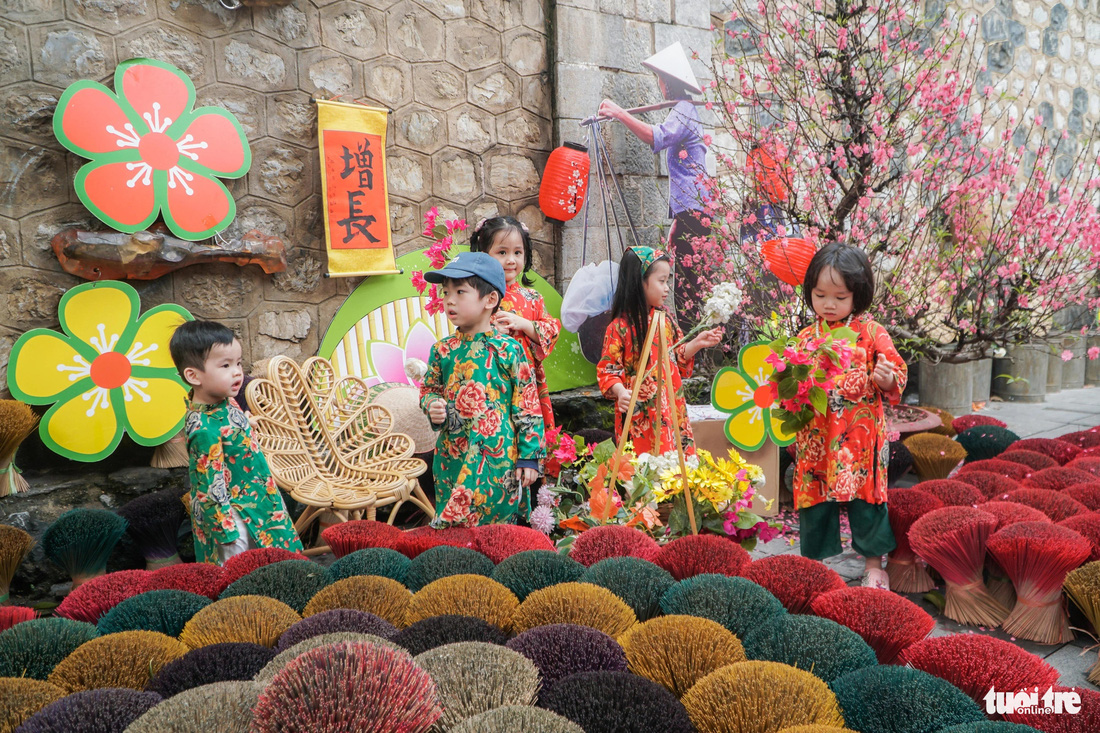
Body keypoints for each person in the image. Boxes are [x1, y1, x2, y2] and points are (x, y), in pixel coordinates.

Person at [793, 243, 908, 590]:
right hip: (815, 437)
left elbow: (897, 373)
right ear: (810, 292)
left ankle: (874, 565)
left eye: (839, 296)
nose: (829, 304)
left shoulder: (872, 333)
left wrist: (887, 378)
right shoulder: (805, 338)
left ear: (857, 295)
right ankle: (816, 564)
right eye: (820, 294)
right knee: (814, 498)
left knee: (867, 499)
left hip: (859, 440)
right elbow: (792, 384)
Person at [419, 251, 546, 527]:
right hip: (452, 456)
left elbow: (527, 404)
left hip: (499, 457)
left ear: (490, 300)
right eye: (446, 292)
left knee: (498, 528)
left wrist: (529, 457)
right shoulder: (442, 350)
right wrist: (432, 406)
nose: (449, 300)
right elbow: (428, 390)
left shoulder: (508, 349)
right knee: (455, 529)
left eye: (460, 291)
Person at [597, 42, 714, 331]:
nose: (659, 85)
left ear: (669, 82)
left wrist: (619, 113)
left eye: (661, 79)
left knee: (688, 288)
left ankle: (692, 354)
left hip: (696, 212)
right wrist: (678, 220)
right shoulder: (683, 110)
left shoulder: (685, 109)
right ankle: (693, 350)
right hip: (691, 212)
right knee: (687, 283)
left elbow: (656, 137)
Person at [169, 320, 303, 565]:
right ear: (193, 375)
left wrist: (245, 423)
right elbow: (208, 483)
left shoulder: (225, 402)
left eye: (239, 363)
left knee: (271, 560)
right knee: (237, 569)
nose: (237, 372)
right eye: (226, 365)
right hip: (234, 514)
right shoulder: (204, 429)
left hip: (258, 499)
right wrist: (225, 531)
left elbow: (231, 424)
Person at [597, 246, 722, 456]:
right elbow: (608, 370)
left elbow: (677, 356)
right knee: (642, 472)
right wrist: (620, 392)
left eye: (667, 282)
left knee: (675, 467)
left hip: (671, 409)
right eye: (661, 281)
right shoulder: (619, 328)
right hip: (639, 416)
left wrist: (697, 343)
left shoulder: (666, 320)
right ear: (639, 282)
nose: (666, 289)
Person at [471, 215, 561, 429]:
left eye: (517, 252)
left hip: (527, 376)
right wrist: (491, 330)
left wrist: (525, 324)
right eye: (502, 252)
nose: (511, 260)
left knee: (528, 432)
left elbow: (551, 330)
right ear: (483, 254)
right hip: (488, 377)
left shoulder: (532, 298)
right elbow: (466, 334)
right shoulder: (475, 296)